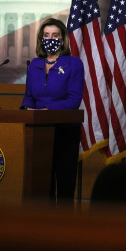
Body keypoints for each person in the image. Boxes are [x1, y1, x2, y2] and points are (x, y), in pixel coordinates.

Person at [21, 18, 84, 208]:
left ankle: (64, 231)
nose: (51, 39)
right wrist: (25, 109)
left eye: (55, 35)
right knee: (42, 187)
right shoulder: (34, 65)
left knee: (64, 187)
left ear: (63, 39)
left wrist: (46, 111)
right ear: (41, 39)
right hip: (39, 133)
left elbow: (74, 101)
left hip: (65, 132)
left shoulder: (74, 64)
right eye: (47, 35)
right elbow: (28, 98)